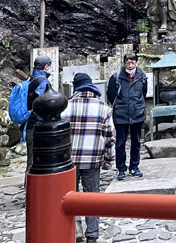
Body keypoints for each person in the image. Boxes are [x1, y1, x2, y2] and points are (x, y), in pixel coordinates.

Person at [62, 73, 115, 243]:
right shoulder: (103, 107)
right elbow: (109, 136)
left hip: (70, 160)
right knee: (92, 196)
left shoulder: (65, 107)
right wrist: (109, 159)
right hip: (93, 159)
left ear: (75, 87)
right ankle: (92, 233)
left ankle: (76, 228)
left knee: (72, 195)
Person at [107, 52, 148, 180]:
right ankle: (121, 168)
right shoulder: (116, 77)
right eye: (128, 62)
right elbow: (111, 95)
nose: (130, 65)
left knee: (136, 142)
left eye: (133, 62)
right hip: (121, 114)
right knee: (120, 142)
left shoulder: (142, 77)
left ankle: (134, 166)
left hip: (137, 113)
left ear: (137, 62)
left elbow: (143, 93)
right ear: (124, 63)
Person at [25, 55, 53, 173]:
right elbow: (42, 103)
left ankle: (29, 188)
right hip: (39, 125)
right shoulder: (43, 82)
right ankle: (33, 189)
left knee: (31, 159)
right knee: (37, 161)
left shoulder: (30, 79)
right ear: (46, 66)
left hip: (29, 124)